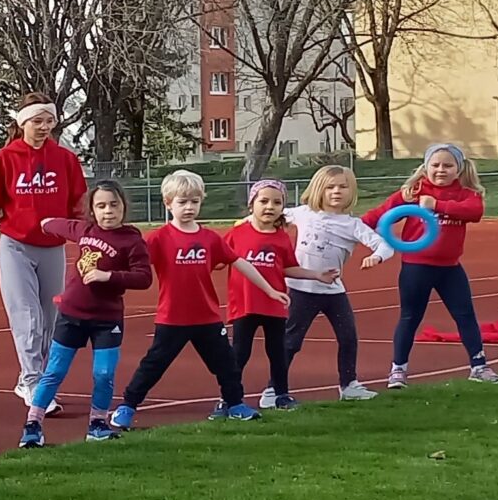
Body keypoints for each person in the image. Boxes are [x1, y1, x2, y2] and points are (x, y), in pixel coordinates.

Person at [113, 171, 288, 429]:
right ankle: (127, 406)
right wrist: (109, 277)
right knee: (154, 364)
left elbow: (240, 262)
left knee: (226, 364)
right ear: (168, 203)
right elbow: (135, 266)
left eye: (194, 201)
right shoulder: (159, 238)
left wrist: (270, 290)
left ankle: (235, 404)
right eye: (182, 202)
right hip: (172, 317)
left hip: (207, 317)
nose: (189, 207)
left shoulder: (210, 238)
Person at [0, 92, 89, 415]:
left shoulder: (65, 159)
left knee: (50, 319)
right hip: (16, 246)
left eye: (49, 121)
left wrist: (85, 238)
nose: (44, 127)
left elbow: (79, 202)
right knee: (28, 317)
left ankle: (31, 380)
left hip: (52, 247)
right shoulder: (4, 160)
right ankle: (35, 384)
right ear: (22, 124)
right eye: (37, 121)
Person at [18, 180, 151, 448]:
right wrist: (43, 222)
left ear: (124, 207)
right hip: (71, 315)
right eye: (101, 206)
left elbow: (144, 277)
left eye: (114, 205)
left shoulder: (131, 239)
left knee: (103, 373)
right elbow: (57, 224)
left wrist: (108, 276)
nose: (108, 211)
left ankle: (98, 424)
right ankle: (33, 425)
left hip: (107, 319)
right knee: (54, 370)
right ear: (92, 210)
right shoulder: (85, 229)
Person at [365, 143, 498, 388]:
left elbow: (474, 211)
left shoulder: (467, 193)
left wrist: (436, 205)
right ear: (425, 167)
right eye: (435, 165)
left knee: (465, 316)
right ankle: (398, 369)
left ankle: (479, 366)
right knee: (410, 317)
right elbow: (379, 214)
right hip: (416, 267)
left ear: (458, 169)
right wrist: (351, 229)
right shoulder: (412, 192)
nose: (441, 170)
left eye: (448, 165)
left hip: (450, 268)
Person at [284, 165, 392, 400]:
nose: (336, 192)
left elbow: (385, 245)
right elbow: (270, 215)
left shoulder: (352, 225)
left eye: (342, 187)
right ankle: (275, 388)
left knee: (348, 337)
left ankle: (349, 385)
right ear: (318, 190)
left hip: (333, 292)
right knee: (291, 341)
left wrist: (376, 256)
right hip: (301, 290)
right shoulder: (303, 213)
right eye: (330, 187)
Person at [226, 180, 332, 411]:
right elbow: (219, 258)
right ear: (251, 204)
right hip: (245, 303)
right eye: (263, 201)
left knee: (277, 352)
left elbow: (286, 267)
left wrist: (316, 275)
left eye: (277, 202)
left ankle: (281, 394)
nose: (270, 207)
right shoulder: (237, 234)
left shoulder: (281, 237)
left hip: (274, 304)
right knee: (240, 352)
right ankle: (229, 397)